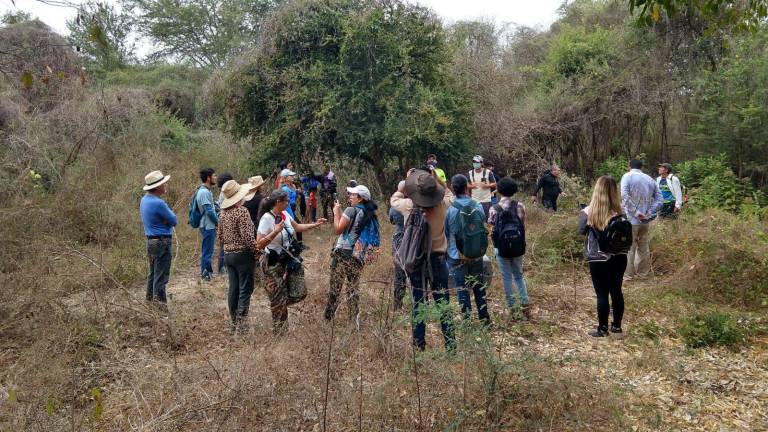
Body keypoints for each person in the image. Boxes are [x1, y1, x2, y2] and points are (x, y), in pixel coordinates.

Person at [391, 168, 456, 351]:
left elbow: (394, 199)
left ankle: (419, 345)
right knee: (443, 302)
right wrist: (437, 179)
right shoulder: (444, 204)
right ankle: (451, 345)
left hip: (416, 260)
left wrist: (405, 183)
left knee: (418, 302)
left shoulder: (409, 206)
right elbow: (450, 194)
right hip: (438, 259)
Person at [256, 190, 326, 334]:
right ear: (278, 202)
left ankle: (278, 303)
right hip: (272, 263)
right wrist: (275, 231)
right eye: (286, 201)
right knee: (278, 297)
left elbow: (297, 227)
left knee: (299, 292)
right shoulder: (266, 219)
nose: (288, 203)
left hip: (287, 260)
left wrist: (315, 224)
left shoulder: (285, 214)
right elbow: (259, 244)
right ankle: (280, 333)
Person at [578, 176, 628, 337]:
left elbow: (581, 231)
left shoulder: (588, 212)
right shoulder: (621, 212)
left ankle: (602, 329)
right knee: (616, 291)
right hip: (620, 256)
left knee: (601, 293)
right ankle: (617, 327)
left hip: (598, 258)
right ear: (614, 192)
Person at [324, 184, 379, 321]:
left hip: (344, 252)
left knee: (335, 287)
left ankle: (328, 319)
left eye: (352, 194)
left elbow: (338, 229)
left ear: (360, 198)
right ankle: (353, 319)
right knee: (353, 287)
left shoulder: (351, 210)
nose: (349, 196)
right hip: (358, 254)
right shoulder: (368, 212)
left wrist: (336, 212)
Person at [445, 174, 491, 326]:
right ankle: (485, 319)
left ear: (453, 189)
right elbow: (482, 223)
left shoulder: (450, 210)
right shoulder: (477, 205)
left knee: (462, 289)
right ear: (466, 188)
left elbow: (446, 232)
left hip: (456, 255)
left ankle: (467, 322)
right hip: (476, 254)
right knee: (479, 287)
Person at [218, 180, 261, 334]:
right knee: (245, 289)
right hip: (243, 255)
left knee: (233, 288)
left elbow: (220, 237)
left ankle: (234, 323)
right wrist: (257, 250)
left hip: (228, 255)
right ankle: (242, 326)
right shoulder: (242, 211)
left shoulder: (223, 214)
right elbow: (248, 237)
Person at [487, 177, 530, 319]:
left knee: (506, 277)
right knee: (519, 275)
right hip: (518, 246)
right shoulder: (520, 206)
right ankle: (525, 304)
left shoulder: (494, 208)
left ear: (498, 190)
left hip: (501, 247)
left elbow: (491, 227)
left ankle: (512, 307)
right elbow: (523, 227)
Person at [139, 170, 177, 310]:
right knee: (161, 277)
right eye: (163, 183)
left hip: (151, 242)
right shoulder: (159, 203)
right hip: (162, 242)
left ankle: (149, 303)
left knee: (153, 273)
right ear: (157, 187)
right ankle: (160, 310)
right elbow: (174, 220)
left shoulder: (144, 200)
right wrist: (167, 221)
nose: (165, 185)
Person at [620, 159, 663, 281]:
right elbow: (660, 200)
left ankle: (628, 276)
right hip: (645, 220)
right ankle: (643, 274)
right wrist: (648, 213)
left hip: (631, 219)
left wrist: (636, 213)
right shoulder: (650, 179)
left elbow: (624, 196)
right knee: (643, 247)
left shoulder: (627, 176)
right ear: (641, 167)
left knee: (629, 247)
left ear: (629, 166)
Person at [196, 168, 219, 281]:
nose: (216, 178)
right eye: (214, 176)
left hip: (207, 225)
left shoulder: (205, 190)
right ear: (208, 178)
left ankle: (207, 273)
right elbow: (209, 211)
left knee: (207, 250)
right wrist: (218, 223)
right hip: (207, 225)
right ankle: (206, 275)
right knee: (207, 251)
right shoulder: (204, 192)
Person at [389, 181, 407, 311]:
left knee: (399, 275)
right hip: (412, 239)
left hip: (398, 239)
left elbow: (392, 220)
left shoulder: (394, 207)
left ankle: (397, 305)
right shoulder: (413, 204)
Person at [215, 172, 234, 274]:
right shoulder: (225, 193)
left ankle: (221, 268)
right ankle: (222, 269)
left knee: (223, 245)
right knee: (224, 246)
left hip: (223, 221)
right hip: (226, 221)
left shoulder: (222, 193)